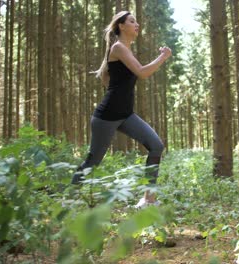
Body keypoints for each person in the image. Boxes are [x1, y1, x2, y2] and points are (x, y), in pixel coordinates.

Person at [71, 11, 172, 208]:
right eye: (132, 21)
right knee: (93, 161)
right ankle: (68, 199)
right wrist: (163, 56)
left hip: (126, 115)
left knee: (156, 146)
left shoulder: (123, 49)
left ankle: (148, 199)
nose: (137, 25)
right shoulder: (118, 47)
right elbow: (142, 73)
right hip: (106, 117)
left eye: (137, 21)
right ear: (121, 26)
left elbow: (106, 78)